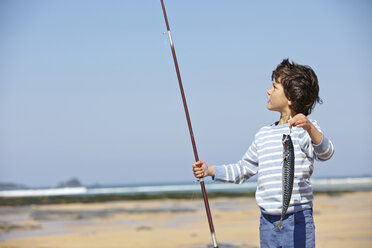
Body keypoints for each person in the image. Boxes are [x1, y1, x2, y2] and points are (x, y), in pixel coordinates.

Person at [192, 59, 334, 248]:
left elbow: (326, 153)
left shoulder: (305, 130)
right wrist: (210, 170)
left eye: (274, 87)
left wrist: (309, 127)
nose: (268, 91)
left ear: (291, 98)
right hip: (267, 220)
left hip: (298, 218)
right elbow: (243, 169)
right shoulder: (263, 134)